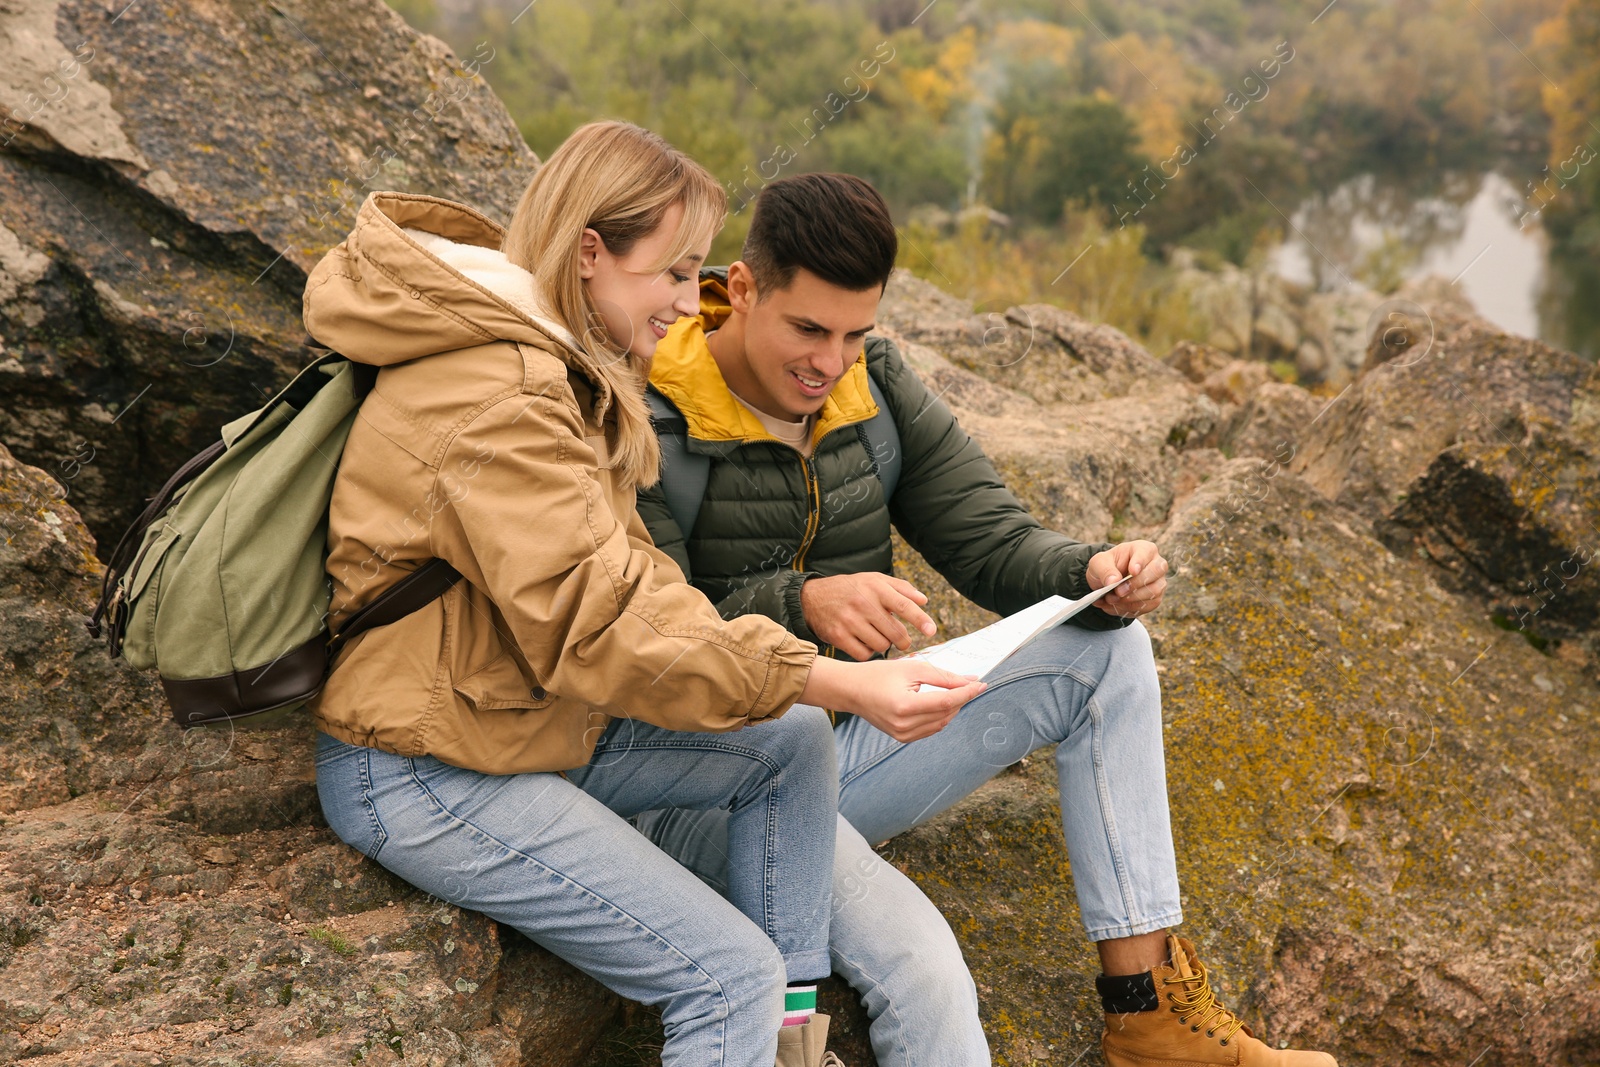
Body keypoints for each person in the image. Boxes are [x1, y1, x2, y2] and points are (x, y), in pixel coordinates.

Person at [304, 124, 986, 1067]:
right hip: (424, 766)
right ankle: (757, 1018)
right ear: (592, 254)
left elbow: (642, 585)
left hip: (515, 718)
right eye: (673, 272)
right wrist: (837, 681)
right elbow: (603, 628)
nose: (686, 302)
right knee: (721, 977)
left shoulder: (560, 367)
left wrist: (789, 685)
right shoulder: (500, 394)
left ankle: (790, 1045)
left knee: (785, 743)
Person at [633, 172, 1340, 1067]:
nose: (829, 361)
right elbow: (644, 639)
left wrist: (1088, 569)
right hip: (721, 786)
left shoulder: (870, 385)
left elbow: (986, 534)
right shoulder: (649, 412)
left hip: (855, 747)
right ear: (741, 288)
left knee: (1106, 650)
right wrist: (798, 602)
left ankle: (1148, 1014)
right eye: (807, 329)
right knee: (927, 972)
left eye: (855, 332)